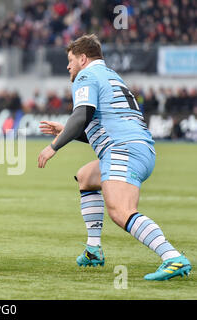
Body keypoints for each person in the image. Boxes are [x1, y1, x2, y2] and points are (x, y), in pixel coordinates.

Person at [37, 34, 191, 281]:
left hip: (123, 150)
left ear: (83, 58)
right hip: (137, 148)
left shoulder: (86, 76)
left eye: (70, 60)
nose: (68, 66)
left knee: (121, 211)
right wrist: (65, 131)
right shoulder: (111, 76)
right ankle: (93, 250)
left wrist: (53, 147)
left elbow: (81, 116)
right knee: (86, 177)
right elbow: (99, 128)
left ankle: (172, 257)